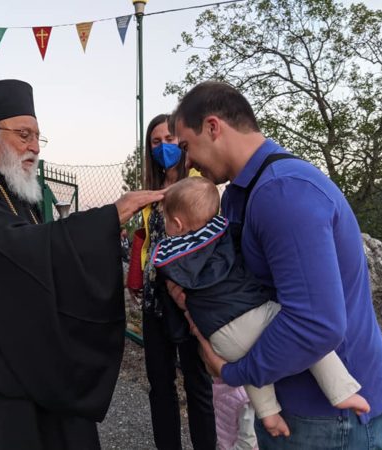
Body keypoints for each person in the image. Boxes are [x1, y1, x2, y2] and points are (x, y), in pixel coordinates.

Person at [0, 79, 163, 449]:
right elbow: (19, 252)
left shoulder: (5, 190)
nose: (35, 147)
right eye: (24, 135)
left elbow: (30, 256)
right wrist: (106, 219)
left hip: (8, 354)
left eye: (38, 137)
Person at [166, 81, 382, 449]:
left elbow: (316, 324)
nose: (186, 163)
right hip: (299, 407)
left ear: (213, 127)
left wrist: (234, 372)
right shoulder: (243, 193)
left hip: (327, 420)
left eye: (185, 146)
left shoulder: (282, 192)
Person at [153, 176, 370, 438]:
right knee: (307, 333)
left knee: (249, 364)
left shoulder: (169, 258)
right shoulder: (225, 233)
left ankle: (269, 415)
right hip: (254, 314)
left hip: (219, 338)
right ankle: (342, 391)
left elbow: (173, 296)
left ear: (177, 223)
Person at [130, 113, 216, 450]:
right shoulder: (150, 192)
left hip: (188, 299)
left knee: (197, 384)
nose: (163, 147)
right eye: (155, 142)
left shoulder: (199, 184)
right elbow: (150, 241)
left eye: (168, 140)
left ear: (181, 143)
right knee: (160, 384)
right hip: (155, 300)